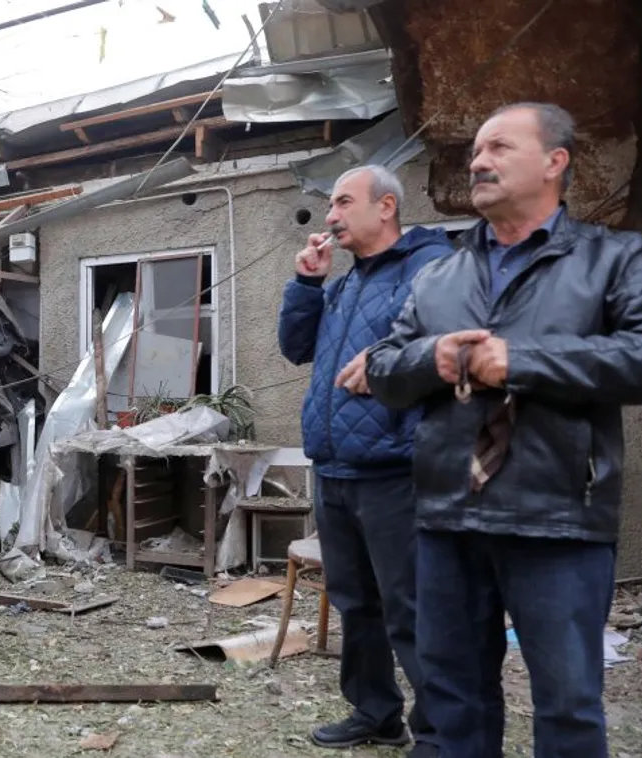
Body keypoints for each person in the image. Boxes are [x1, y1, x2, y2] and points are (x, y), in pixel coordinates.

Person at [365, 102, 642, 758]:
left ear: (553, 162)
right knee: (450, 700)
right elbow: (381, 373)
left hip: (558, 517)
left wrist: (526, 361)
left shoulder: (611, 260)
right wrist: (432, 359)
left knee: (567, 708)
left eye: (499, 148)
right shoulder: (438, 275)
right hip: (447, 518)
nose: (478, 162)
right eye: (475, 151)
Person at [278, 164, 452, 756]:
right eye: (331, 204)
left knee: (411, 608)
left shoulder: (428, 267)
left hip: (395, 471)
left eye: (343, 202)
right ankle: (376, 712)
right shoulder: (347, 283)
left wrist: (387, 357)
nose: (330, 216)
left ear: (386, 207)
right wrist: (307, 285)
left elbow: (444, 339)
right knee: (357, 604)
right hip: (334, 469)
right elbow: (295, 348)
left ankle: (442, 732)